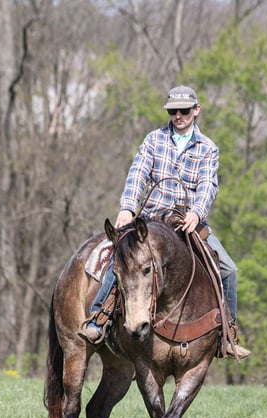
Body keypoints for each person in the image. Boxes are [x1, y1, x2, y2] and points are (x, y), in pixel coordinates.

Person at [78, 85, 251, 360]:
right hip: (151, 219)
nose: (178, 115)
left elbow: (208, 185)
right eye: (173, 111)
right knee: (123, 259)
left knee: (229, 269)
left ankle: (227, 335)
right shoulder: (154, 140)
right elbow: (138, 173)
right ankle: (99, 319)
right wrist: (127, 208)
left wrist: (196, 212)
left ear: (196, 111)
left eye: (184, 110)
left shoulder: (208, 148)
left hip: (186, 222)